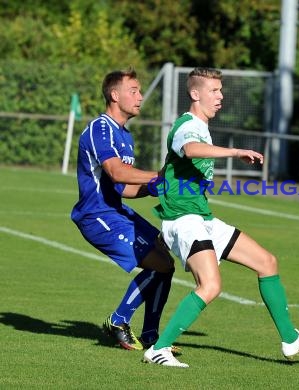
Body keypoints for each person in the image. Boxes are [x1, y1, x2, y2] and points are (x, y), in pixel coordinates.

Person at [142, 67, 299, 368]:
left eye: (220, 90)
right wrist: (234, 151)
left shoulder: (202, 126)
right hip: (183, 219)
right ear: (195, 94)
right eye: (214, 90)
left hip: (201, 218)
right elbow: (190, 149)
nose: (221, 96)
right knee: (211, 286)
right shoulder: (186, 125)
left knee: (267, 262)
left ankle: (290, 339)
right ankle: (158, 349)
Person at [71, 68, 177, 351]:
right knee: (160, 265)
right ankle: (118, 321)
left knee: (165, 258)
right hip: (97, 216)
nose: (140, 97)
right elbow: (117, 173)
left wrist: (153, 187)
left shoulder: (125, 135)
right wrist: (159, 175)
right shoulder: (99, 128)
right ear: (114, 95)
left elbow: (124, 188)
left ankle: (153, 338)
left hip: (116, 210)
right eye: (134, 91)